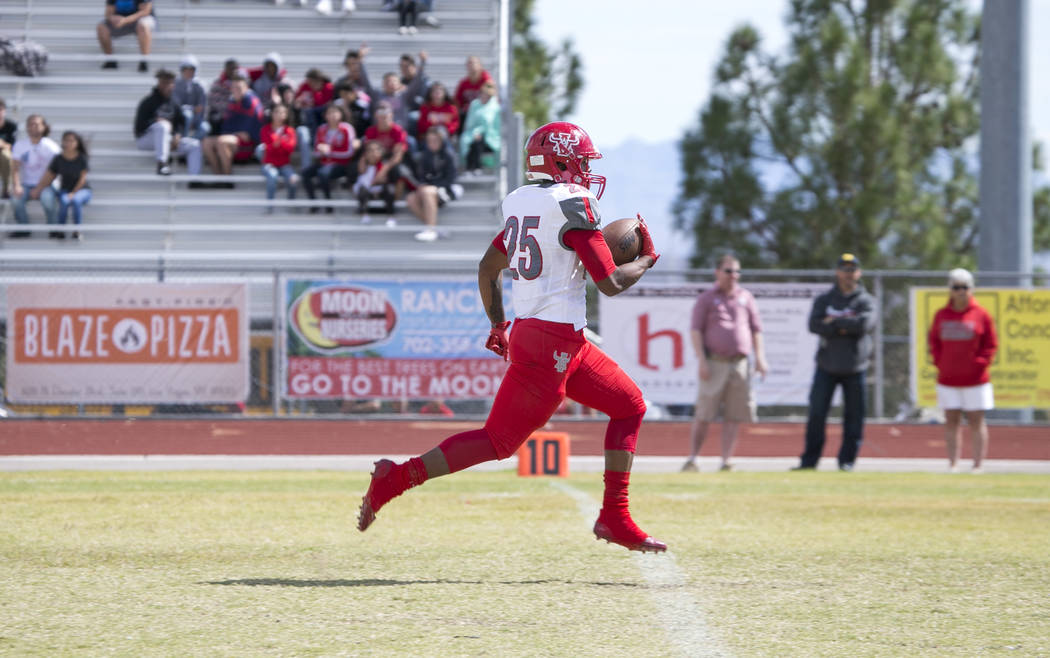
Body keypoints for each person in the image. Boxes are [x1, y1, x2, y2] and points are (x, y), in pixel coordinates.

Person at [357, 121, 667, 555]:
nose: (585, 170)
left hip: (554, 339)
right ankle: (396, 478)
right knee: (498, 442)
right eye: (579, 160)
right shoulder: (574, 204)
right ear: (561, 161)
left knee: (630, 405)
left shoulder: (523, 202)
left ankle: (615, 515)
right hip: (552, 344)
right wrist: (649, 258)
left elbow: (488, 266)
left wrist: (498, 324)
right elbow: (611, 283)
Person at [681, 254, 768, 473]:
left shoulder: (746, 297)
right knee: (704, 413)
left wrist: (760, 358)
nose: (734, 276)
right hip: (714, 362)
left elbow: (756, 329)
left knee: (734, 415)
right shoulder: (707, 298)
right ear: (717, 272)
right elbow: (696, 330)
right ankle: (693, 459)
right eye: (729, 271)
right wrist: (701, 360)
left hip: (740, 363)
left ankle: (726, 461)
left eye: (737, 271)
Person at [793, 253, 876, 472]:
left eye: (852, 269)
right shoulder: (825, 299)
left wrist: (834, 323)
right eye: (844, 269)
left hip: (855, 367)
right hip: (827, 366)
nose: (848, 274)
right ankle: (809, 461)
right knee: (817, 413)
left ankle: (846, 461)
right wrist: (845, 325)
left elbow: (864, 324)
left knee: (854, 417)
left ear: (858, 273)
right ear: (837, 272)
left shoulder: (865, 300)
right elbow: (814, 325)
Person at [928, 268, 998, 474]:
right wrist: (941, 362)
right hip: (948, 379)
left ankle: (977, 465)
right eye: (956, 287)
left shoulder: (981, 314)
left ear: (971, 289)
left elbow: (991, 344)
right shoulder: (941, 315)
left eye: (964, 287)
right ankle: (953, 464)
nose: (960, 291)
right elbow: (934, 342)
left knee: (976, 421)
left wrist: (979, 363)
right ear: (950, 290)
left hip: (976, 380)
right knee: (951, 420)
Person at [134, 69, 203, 176]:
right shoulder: (148, 102)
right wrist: (155, 121)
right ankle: (162, 164)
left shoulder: (175, 102)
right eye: (164, 82)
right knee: (162, 126)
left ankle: (194, 179)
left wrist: (177, 135)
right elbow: (139, 127)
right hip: (146, 139)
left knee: (194, 145)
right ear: (159, 83)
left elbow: (180, 122)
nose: (167, 86)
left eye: (170, 83)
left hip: (168, 140)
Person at [201, 74, 264, 181]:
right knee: (206, 142)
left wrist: (238, 134)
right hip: (233, 138)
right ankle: (218, 177)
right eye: (233, 88)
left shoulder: (252, 102)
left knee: (222, 141)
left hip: (248, 146)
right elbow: (227, 126)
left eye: (239, 88)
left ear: (246, 88)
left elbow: (249, 134)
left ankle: (227, 179)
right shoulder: (232, 102)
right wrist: (234, 133)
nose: (235, 90)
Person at [34, 131, 92, 240]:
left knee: (76, 201)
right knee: (64, 202)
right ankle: (60, 231)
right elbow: (50, 175)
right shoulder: (58, 158)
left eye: (71, 140)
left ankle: (77, 230)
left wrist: (73, 193)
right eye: (66, 140)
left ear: (77, 143)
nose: (68, 143)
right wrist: (38, 189)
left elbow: (82, 179)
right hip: (65, 189)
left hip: (82, 190)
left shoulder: (82, 158)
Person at [406, 126, 461, 242]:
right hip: (430, 190)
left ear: (442, 141)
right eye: (429, 141)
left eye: (435, 141)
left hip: (446, 190)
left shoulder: (449, 155)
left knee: (427, 190)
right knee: (410, 198)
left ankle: (430, 230)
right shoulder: (425, 155)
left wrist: (432, 185)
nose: (432, 144)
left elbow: (450, 179)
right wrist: (423, 184)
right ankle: (433, 227)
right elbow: (422, 176)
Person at [9, 114, 60, 238]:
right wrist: (17, 185)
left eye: (36, 124)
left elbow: (54, 172)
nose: (33, 127)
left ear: (43, 127)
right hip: (27, 183)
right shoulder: (20, 145)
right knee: (15, 198)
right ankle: (24, 228)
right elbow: (15, 168)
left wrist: (39, 188)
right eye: (30, 124)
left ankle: (54, 228)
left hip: (48, 184)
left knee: (47, 198)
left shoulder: (52, 147)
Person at [301, 104, 355, 213]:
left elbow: (349, 152)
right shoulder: (321, 129)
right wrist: (321, 152)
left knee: (323, 173)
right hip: (324, 162)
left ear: (341, 114)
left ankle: (328, 204)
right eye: (329, 113)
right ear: (325, 116)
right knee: (305, 173)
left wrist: (330, 152)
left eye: (335, 112)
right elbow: (316, 152)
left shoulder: (346, 128)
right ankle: (313, 203)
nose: (332, 115)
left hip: (341, 164)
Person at [97, 0, 155, 72]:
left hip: (139, 19)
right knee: (101, 27)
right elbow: (108, 13)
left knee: (143, 25)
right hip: (121, 21)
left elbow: (145, 11)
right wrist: (112, 18)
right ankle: (110, 59)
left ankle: (144, 60)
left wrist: (126, 20)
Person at [259, 104, 298, 210]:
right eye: (276, 112)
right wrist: (282, 142)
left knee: (293, 179)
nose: (279, 115)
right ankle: (270, 207)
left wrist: (277, 143)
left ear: (286, 115)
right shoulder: (265, 129)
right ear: (272, 114)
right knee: (272, 176)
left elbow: (290, 148)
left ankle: (291, 205)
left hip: (284, 164)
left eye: (282, 112)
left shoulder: (290, 130)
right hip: (269, 163)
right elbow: (268, 148)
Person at [459, 79, 500, 175]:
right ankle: (471, 167)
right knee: (471, 141)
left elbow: (494, 126)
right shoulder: (474, 104)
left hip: (489, 135)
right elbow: (470, 122)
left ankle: (474, 166)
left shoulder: (495, 107)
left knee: (478, 141)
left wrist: (481, 132)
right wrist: (475, 132)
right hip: (472, 132)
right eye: (483, 93)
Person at [353, 140, 396, 225]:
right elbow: (361, 179)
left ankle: (390, 217)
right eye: (370, 150)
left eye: (376, 150)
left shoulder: (384, 165)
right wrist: (364, 160)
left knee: (390, 189)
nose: (373, 153)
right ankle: (364, 215)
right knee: (363, 189)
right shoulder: (361, 164)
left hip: (380, 193)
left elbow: (382, 180)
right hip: (366, 193)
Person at [173, 54, 210, 140]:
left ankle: (189, 143)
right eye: (185, 69)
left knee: (205, 128)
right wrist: (192, 109)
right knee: (187, 114)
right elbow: (176, 106)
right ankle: (183, 141)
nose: (188, 72)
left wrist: (195, 118)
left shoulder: (201, 85)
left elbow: (202, 107)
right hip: (180, 119)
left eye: (191, 69)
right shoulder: (176, 84)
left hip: (196, 119)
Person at [454, 55, 492, 134]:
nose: (472, 66)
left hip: (483, 112)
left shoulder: (486, 80)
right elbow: (457, 101)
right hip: (468, 114)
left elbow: (492, 97)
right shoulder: (464, 83)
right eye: (469, 63)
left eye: (474, 63)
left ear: (480, 65)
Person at [0, 98, 16, 198]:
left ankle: (6, 188)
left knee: (5, 156)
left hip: (4, 153)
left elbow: (13, 146)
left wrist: (2, 144)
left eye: (0, 109)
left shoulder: (11, 126)